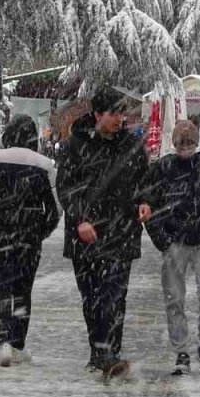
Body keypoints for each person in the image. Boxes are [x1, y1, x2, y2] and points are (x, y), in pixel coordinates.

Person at [56, 87, 149, 377]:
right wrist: (80, 219)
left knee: (115, 296)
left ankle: (110, 354)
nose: (120, 119)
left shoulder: (132, 146)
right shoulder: (76, 145)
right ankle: (99, 353)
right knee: (93, 298)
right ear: (97, 115)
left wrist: (146, 201)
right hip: (87, 236)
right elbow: (66, 187)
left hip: (121, 233)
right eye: (114, 114)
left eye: (123, 113)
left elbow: (145, 180)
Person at [137, 120, 200, 375]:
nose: (185, 147)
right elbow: (147, 202)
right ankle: (181, 351)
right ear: (174, 144)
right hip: (175, 240)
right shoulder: (163, 167)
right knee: (174, 297)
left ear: (196, 143)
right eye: (181, 143)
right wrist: (163, 240)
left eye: (189, 142)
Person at [0, 115, 59, 367]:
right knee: (23, 290)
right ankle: (17, 342)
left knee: (1, 288)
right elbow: (55, 208)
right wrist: (40, 232)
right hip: (28, 239)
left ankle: (3, 341)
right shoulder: (44, 164)